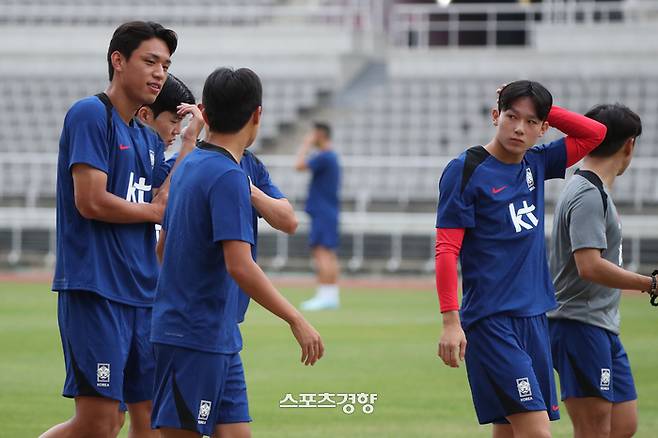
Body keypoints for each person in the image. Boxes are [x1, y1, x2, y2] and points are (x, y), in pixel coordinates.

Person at [151, 67, 323, 438]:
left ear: (205, 113)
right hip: (194, 336)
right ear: (257, 115)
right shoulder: (228, 176)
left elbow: (163, 248)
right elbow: (240, 266)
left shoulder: (190, 164)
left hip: (217, 334)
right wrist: (296, 318)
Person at [435, 80, 607, 438]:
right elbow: (446, 250)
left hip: (533, 316)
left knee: (509, 432)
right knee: (536, 432)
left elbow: (596, 133)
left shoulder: (538, 161)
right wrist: (451, 321)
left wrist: (548, 110)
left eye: (531, 122)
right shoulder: (465, 169)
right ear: (495, 115)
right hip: (490, 321)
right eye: (511, 116)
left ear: (544, 128)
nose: (518, 128)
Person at [42, 21, 177, 438]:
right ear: (118, 61)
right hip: (96, 289)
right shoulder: (90, 114)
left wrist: (188, 145)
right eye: (150, 61)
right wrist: (152, 213)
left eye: (166, 65)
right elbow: (91, 200)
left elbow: (164, 203)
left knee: (146, 422)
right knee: (98, 423)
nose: (160, 73)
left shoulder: (148, 138)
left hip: (142, 295)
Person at [548, 103, 653, 438]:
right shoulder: (588, 193)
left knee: (623, 425)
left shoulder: (594, 189)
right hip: (579, 324)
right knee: (593, 430)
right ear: (630, 144)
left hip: (600, 324)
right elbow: (589, 265)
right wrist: (649, 284)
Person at [295, 122, 341, 311]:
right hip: (328, 210)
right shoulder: (331, 157)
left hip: (322, 211)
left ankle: (325, 296)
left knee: (321, 253)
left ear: (320, 135)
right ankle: (330, 295)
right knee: (328, 254)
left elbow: (299, 165)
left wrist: (306, 145)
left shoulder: (324, 156)